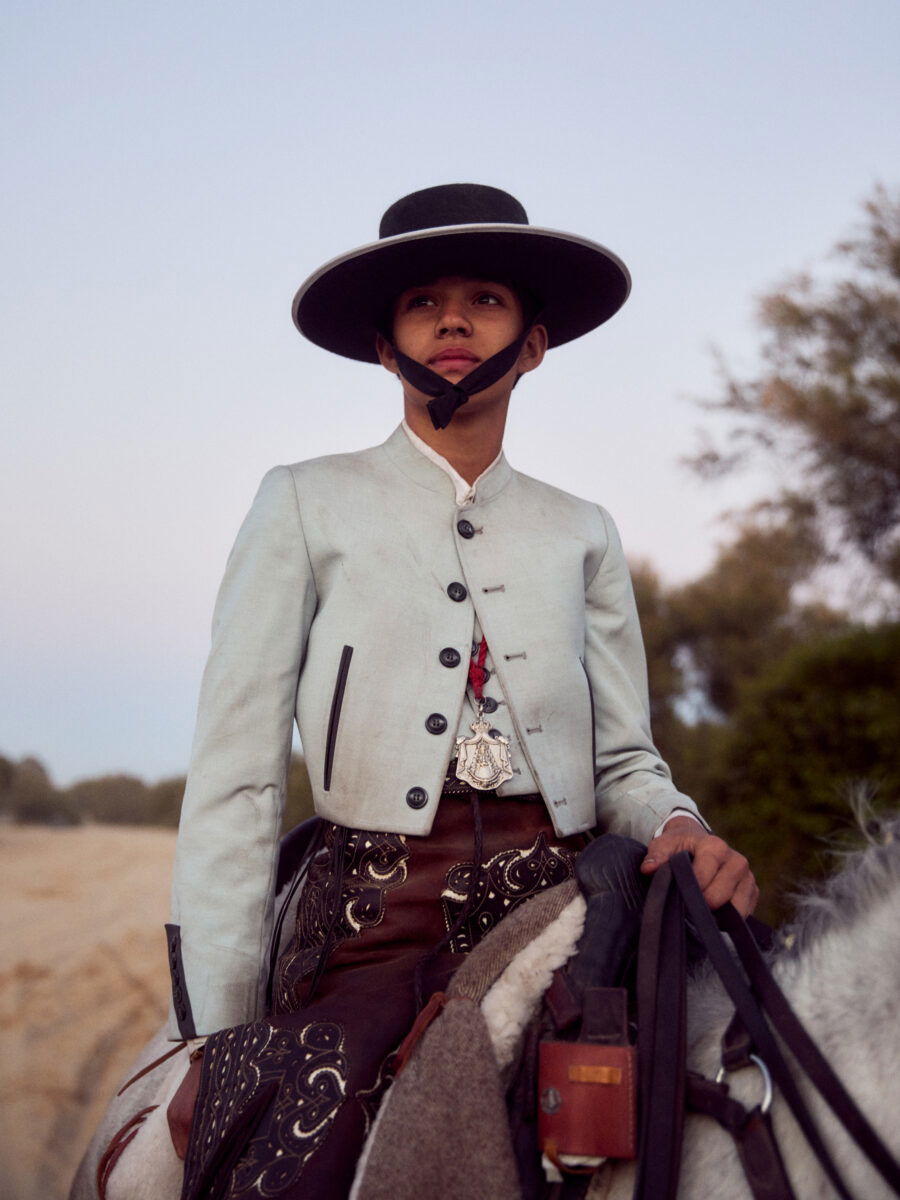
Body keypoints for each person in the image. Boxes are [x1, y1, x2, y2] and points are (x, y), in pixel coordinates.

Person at [165, 183, 758, 1197]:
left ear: (531, 344)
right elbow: (237, 779)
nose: (452, 320)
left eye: (485, 299)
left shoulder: (585, 531)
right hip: (371, 923)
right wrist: (216, 1036)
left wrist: (682, 823)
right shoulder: (304, 502)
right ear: (384, 346)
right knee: (295, 1162)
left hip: (568, 905)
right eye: (423, 303)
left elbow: (624, 760)